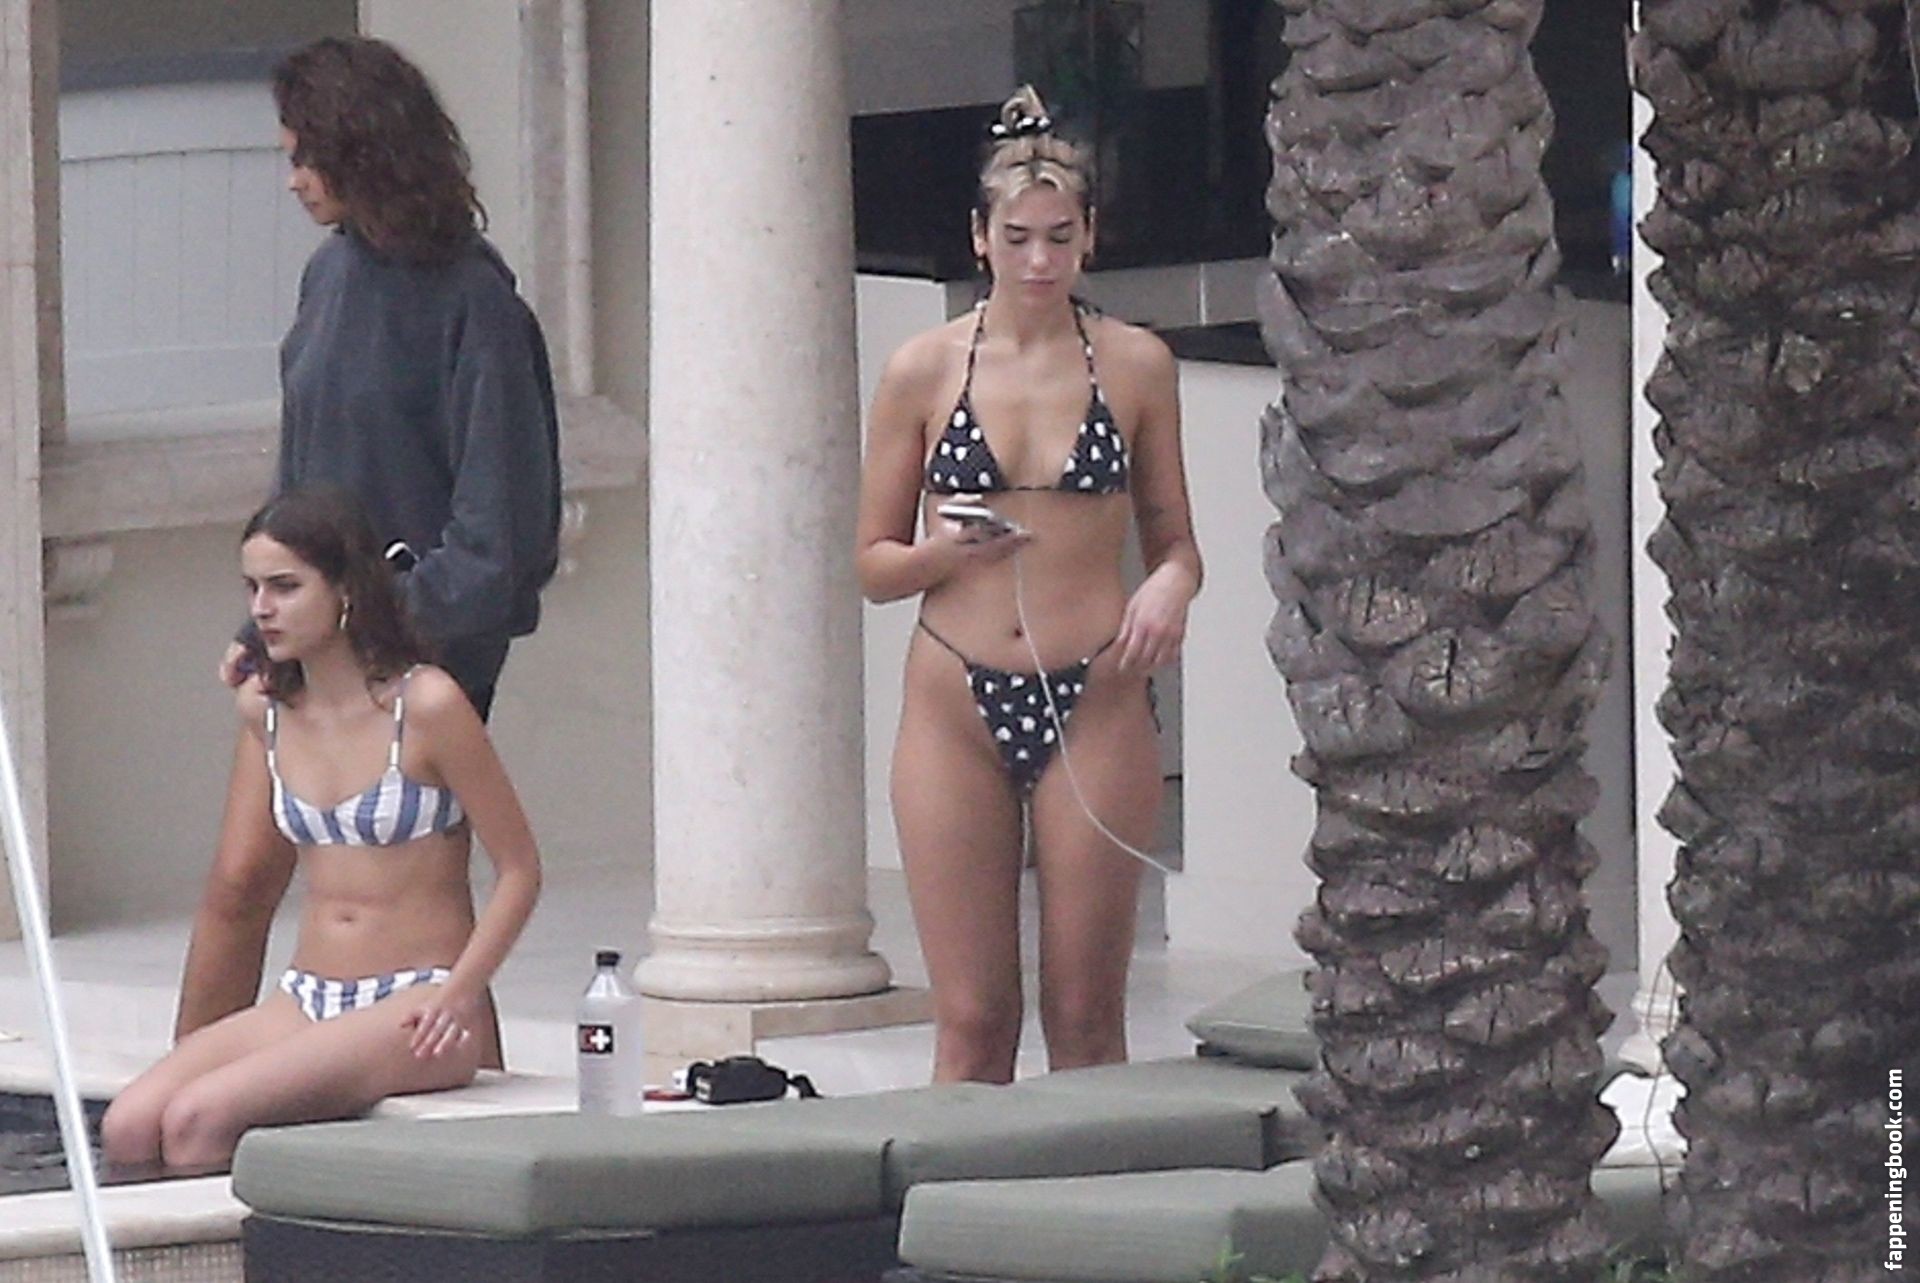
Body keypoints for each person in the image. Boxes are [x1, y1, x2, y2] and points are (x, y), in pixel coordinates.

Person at [183, 35, 560, 1049]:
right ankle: (184, 1098)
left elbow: (502, 542)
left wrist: (378, 640)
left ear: (365, 150)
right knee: (238, 881)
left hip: (417, 659)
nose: (293, 178)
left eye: (308, 155)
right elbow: (301, 482)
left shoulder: (477, 304)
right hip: (313, 640)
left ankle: (454, 1078)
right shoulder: (329, 277)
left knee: (411, 904)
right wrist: (264, 619)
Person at [855, 87, 1202, 1083]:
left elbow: (1177, 543)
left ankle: (1093, 1183)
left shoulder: (1136, 365)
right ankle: (953, 1181)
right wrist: (942, 554)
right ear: (981, 239)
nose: (1039, 261)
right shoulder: (923, 369)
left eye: (1059, 237)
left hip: (1096, 694)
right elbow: (871, 563)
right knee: (972, 1017)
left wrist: (1167, 590)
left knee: (1087, 1013)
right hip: (954, 698)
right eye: (1018, 239)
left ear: (1090, 237)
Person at [103, 490, 543, 1173]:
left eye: (284, 587)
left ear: (345, 591)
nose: (261, 608)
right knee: (128, 1125)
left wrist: (460, 994)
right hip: (309, 994)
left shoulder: (427, 704)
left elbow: (520, 869)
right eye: (252, 588)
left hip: (418, 1001)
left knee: (197, 1120)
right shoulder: (267, 711)